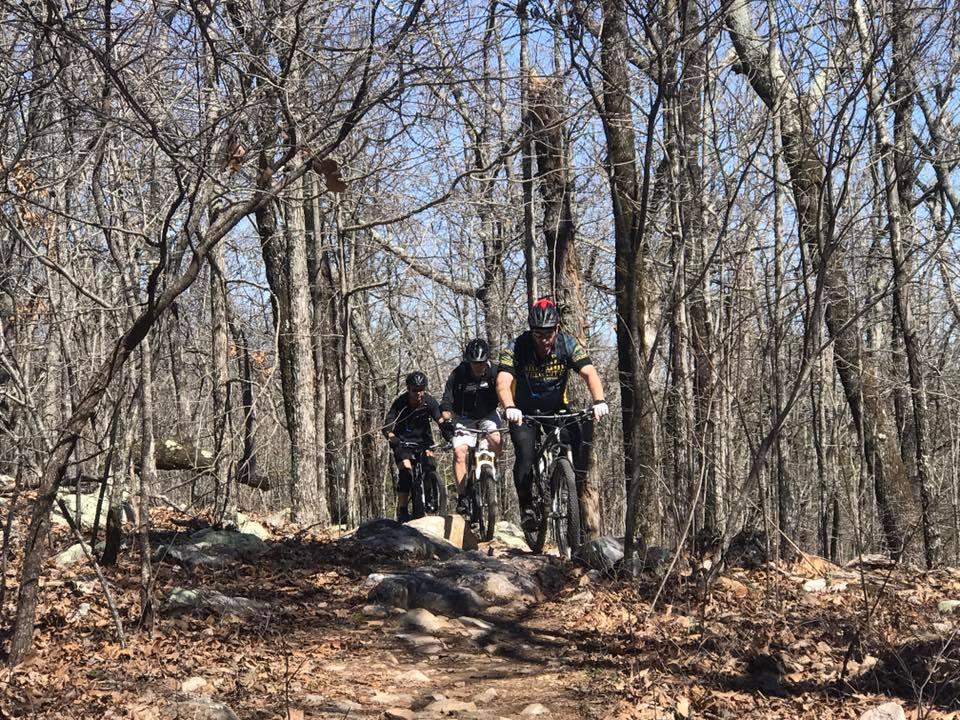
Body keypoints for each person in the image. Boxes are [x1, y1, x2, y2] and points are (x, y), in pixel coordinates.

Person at [496, 297, 609, 531]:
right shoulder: (516, 347)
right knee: (525, 456)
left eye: (549, 333)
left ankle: (571, 484)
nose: (545, 339)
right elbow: (503, 382)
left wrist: (599, 400)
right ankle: (527, 507)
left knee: (579, 434)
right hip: (523, 412)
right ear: (531, 331)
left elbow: (589, 372)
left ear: (557, 328)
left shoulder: (567, 344)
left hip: (556, 408)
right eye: (539, 334)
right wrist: (509, 407)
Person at [439, 338, 503, 515]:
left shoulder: (495, 372)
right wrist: (447, 421)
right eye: (474, 363)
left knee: (496, 438)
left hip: (488, 414)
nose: (478, 367)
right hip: (463, 417)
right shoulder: (458, 374)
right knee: (460, 453)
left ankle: (492, 468)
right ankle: (462, 497)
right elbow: (446, 402)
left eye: (481, 363)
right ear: (468, 361)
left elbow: (506, 391)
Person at [382, 371, 451, 522]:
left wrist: (448, 431)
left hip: (424, 441)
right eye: (415, 390)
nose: (418, 393)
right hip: (403, 442)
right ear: (408, 388)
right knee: (406, 473)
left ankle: (432, 499)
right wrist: (391, 436)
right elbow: (388, 423)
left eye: (421, 389)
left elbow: (439, 419)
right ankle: (403, 509)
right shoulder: (401, 402)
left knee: (430, 466)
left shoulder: (429, 401)